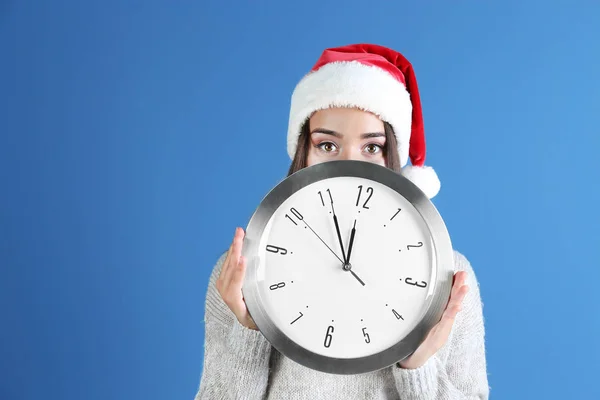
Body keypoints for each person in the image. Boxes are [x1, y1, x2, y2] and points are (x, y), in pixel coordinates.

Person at [194, 43, 489, 399]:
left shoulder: (449, 277)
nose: (348, 166)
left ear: (392, 156)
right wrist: (250, 329)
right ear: (303, 151)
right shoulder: (241, 275)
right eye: (328, 146)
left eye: (372, 147)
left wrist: (418, 366)